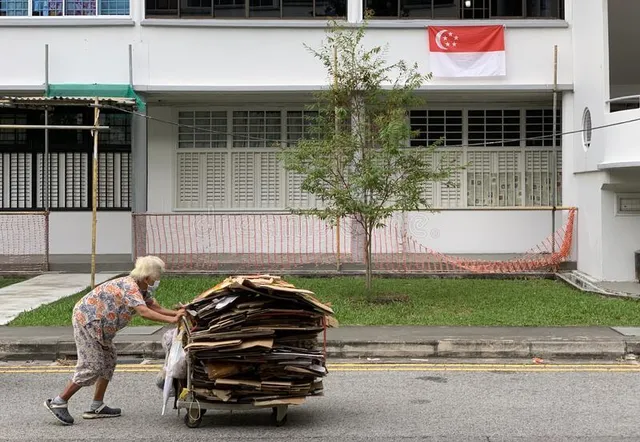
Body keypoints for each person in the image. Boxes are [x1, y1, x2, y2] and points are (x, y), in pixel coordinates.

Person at [44, 255, 185, 425]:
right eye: (156, 277)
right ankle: (59, 401)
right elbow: (144, 312)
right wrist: (171, 320)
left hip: (100, 326)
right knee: (92, 365)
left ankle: (97, 405)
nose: (158, 280)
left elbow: (152, 306)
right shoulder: (130, 287)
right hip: (88, 321)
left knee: (109, 360)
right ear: (148, 277)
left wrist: (176, 314)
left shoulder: (140, 287)